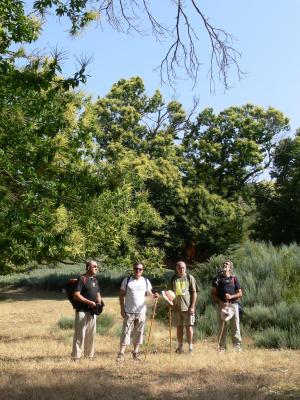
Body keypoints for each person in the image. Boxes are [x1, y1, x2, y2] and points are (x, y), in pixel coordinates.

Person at [117, 262, 159, 361]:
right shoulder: (127, 280)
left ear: (142, 270)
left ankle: (136, 353)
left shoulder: (145, 281)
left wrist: (154, 296)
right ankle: (121, 354)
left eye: (140, 269)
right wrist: (122, 309)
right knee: (126, 332)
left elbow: (149, 294)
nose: (138, 271)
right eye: (136, 269)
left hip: (141, 312)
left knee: (139, 332)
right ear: (133, 269)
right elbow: (121, 295)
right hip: (128, 311)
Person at [71, 260, 102, 360]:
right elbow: (76, 295)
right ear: (88, 267)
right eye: (94, 266)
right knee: (80, 334)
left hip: (92, 312)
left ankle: (89, 355)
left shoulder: (95, 280)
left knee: (91, 335)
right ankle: (76, 357)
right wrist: (89, 302)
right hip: (82, 311)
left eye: (97, 266)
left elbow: (97, 293)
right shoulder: (82, 279)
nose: (96, 268)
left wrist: (99, 303)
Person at [211, 260, 242, 352]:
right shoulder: (217, 279)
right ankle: (222, 348)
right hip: (222, 306)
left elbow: (240, 293)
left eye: (227, 264)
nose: (225, 265)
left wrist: (231, 296)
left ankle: (237, 347)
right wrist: (221, 302)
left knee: (235, 326)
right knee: (222, 327)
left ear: (230, 268)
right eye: (224, 264)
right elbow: (213, 294)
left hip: (233, 305)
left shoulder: (234, 278)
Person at [168, 260, 199, 354]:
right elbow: (169, 292)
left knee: (189, 327)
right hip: (176, 308)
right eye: (179, 268)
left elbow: (194, 292)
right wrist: (169, 302)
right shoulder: (173, 278)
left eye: (183, 267)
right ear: (176, 268)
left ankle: (190, 348)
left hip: (188, 308)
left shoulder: (190, 277)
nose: (181, 269)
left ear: (185, 268)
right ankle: (180, 347)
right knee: (179, 327)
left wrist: (192, 306)